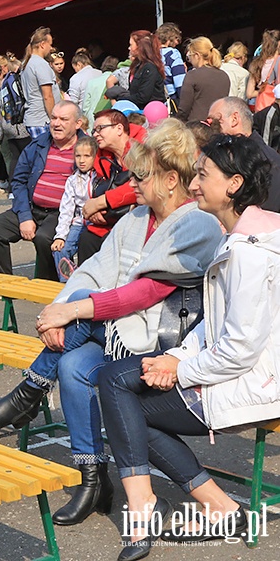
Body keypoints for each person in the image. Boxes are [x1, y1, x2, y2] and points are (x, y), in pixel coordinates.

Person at [0, 120, 223, 528]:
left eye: (141, 176)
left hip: (160, 343)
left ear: (172, 180)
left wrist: (71, 311)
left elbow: (145, 293)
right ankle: (93, 479)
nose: (131, 184)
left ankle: (30, 392)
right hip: (114, 329)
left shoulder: (198, 223)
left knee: (77, 331)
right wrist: (60, 308)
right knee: (71, 365)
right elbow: (92, 271)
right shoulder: (136, 218)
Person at [99, 135, 280, 560]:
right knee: (117, 387)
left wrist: (179, 371)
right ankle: (217, 506)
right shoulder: (236, 236)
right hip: (230, 367)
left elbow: (240, 348)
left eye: (203, 175)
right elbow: (212, 326)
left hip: (257, 381)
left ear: (234, 184)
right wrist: (174, 357)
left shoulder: (251, 254)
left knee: (124, 408)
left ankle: (152, 509)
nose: (193, 184)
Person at [0, 101, 83, 289]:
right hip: (31, 206)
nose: (56, 123)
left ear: (78, 124)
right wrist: (25, 217)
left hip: (62, 214)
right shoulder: (38, 144)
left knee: (45, 238)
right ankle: (0, 285)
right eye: (53, 118)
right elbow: (18, 181)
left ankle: (47, 286)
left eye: (63, 119)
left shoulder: (87, 150)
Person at [76, 109, 140, 263]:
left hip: (137, 217)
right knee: (87, 238)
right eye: (93, 130)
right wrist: (95, 211)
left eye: (100, 129)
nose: (95, 134)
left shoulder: (143, 146)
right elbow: (97, 187)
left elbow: (141, 184)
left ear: (119, 128)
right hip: (108, 219)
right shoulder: (102, 155)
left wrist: (100, 202)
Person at [206, 96, 280, 212]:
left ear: (234, 119)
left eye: (214, 122)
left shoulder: (261, 162)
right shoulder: (260, 156)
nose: (210, 129)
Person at [52, 135, 96, 282]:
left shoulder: (99, 177)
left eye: (87, 156)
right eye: (78, 156)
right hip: (79, 224)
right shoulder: (72, 180)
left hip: (96, 223)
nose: (82, 160)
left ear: (95, 156)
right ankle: (68, 282)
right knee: (59, 250)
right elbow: (66, 210)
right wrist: (60, 236)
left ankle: (83, 279)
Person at [175, 37, 230, 124]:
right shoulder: (224, 76)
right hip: (217, 126)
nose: (190, 60)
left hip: (196, 127)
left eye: (189, 57)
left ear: (197, 55)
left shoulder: (192, 75)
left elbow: (184, 109)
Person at [21, 27, 60, 139]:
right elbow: (47, 95)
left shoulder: (27, 62)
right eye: (50, 44)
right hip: (42, 121)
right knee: (45, 155)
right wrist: (54, 118)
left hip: (34, 119)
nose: (51, 48)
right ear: (42, 44)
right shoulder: (40, 64)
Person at [112, 31, 166, 109]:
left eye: (131, 45)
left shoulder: (150, 68)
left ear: (140, 46)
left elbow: (143, 97)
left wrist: (120, 99)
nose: (129, 48)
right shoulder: (138, 66)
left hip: (149, 112)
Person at [246, 29, 280, 109]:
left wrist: (263, 91)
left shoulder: (256, 64)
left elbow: (249, 93)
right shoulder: (278, 61)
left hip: (261, 107)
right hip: (275, 108)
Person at [155, 22, 186, 105]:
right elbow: (180, 83)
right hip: (170, 101)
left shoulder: (152, 54)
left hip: (155, 101)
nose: (177, 42)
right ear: (169, 38)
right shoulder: (172, 54)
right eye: (176, 39)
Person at [68, 49, 102, 114]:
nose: (75, 71)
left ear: (79, 64)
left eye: (74, 68)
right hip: (100, 110)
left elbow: (73, 102)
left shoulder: (75, 78)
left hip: (83, 113)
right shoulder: (100, 73)